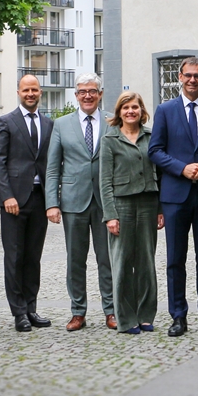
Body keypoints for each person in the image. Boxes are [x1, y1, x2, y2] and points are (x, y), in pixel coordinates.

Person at [149, 57, 198, 337]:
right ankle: (178, 315)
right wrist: (182, 168)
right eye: (188, 75)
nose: (192, 80)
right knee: (175, 259)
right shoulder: (165, 110)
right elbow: (155, 151)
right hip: (175, 195)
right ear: (179, 78)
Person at [45, 74, 117, 332]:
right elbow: (52, 168)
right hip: (73, 202)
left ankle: (111, 310)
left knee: (107, 259)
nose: (88, 95)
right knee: (75, 260)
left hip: (105, 202)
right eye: (83, 91)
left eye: (92, 91)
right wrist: (51, 203)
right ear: (76, 95)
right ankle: (78, 312)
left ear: (100, 93)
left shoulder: (112, 121)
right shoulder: (61, 125)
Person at [0, 74, 54, 332]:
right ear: (18, 92)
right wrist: (7, 196)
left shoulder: (49, 124)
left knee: (33, 257)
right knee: (15, 257)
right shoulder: (5, 121)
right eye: (26, 90)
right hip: (14, 201)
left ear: (40, 93)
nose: (30, 94)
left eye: (35, 90)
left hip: (40, 199)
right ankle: (18, 312)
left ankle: (31, 307)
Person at [100, 92, 164, 334]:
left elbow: (160, 173)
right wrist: (110, 215)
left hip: (148, 203)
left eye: (135, 107)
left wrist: (160, 209)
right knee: (123, 263)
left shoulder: (151, 136)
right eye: (126, 107)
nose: (130, 111)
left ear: (141, 110)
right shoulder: (109, 139)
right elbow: (104, 181)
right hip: (122, 206)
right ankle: (126, 319)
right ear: (119, 112)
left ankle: (146, 315)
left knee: (146, 262)